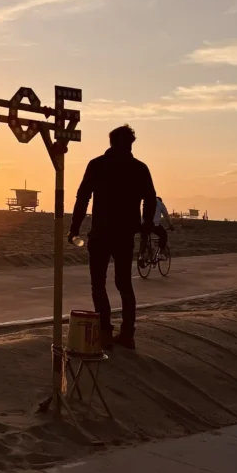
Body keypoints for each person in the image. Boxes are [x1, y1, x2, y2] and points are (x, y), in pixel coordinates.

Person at [68, 124, 156, 350]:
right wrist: (145, 225)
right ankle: (127, 334)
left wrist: (74, 227)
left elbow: (82, 197)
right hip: (125, 234)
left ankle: (106, 332)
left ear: (111, 142)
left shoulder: (98, 165)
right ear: (130, 144)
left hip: (101, 233)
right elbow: (150, 199)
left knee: (98, 284)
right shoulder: (139, 168)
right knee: (124, 284)